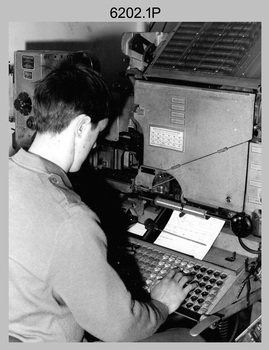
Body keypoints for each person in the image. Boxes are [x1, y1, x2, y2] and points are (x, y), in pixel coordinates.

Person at [9, 59, 203, 342]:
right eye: (97, 133)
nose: (96, 144)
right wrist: (161, 303)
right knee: (191, 338)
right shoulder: (71, 219)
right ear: (80, 127)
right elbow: (123, 329)